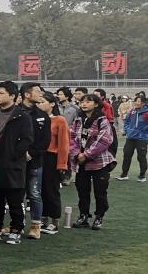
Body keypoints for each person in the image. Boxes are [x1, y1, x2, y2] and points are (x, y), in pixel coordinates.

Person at [0, 81, 32, 245]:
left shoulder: (21, 116)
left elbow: (27, 139)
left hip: (13, 164)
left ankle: (16, 229)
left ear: (13, 96)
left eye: (1, 93)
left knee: (14, 199)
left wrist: (13, 154)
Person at [70, 93, 114, 230]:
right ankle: (83, 216)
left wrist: (86, 154)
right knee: (82, 191)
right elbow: (72, 138)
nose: (84, 104)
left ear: (96, 104)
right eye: (82, 101)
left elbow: (104, 140)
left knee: (100, 192)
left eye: (88, 101)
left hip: (99, 162)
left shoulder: (102, 120)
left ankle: (99, 216)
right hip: (82, 162)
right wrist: (77, 153)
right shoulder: (78, 120)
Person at [20, 81, 50, 240]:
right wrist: (20, 151)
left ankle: (35, 226)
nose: (41, 94)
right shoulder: (15, 113)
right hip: (16, 161)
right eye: (37, 91)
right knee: (17, 194)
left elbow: (45, 140)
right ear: (27, 94)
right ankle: (17, 225)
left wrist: (31, 153)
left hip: (35, 161)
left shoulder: (42, 116)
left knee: (34, 193)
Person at [39, 92, 68, 233]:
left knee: (52, 190)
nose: (40, 104)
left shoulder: (60, 120)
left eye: (43, 101)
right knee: (40, 190)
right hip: (39, 156)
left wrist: (62, 164)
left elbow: (64, 144)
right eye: (39, 102)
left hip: (52, 158)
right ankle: (43, 218)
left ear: (52, 104)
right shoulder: (38, 119)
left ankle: (54, 221)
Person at [117, 92, 147, 182]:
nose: (136, 103)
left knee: (141, 157)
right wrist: (128, 131)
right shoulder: (132, 111)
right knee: (127, 155)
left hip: (142, 138)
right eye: (135, 101)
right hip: (130, 138)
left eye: (138, 101)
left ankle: (142, 176)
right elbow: (127, 122)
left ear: (143, 103)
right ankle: (124, 175)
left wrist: (143, 130)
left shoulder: (146, 113)